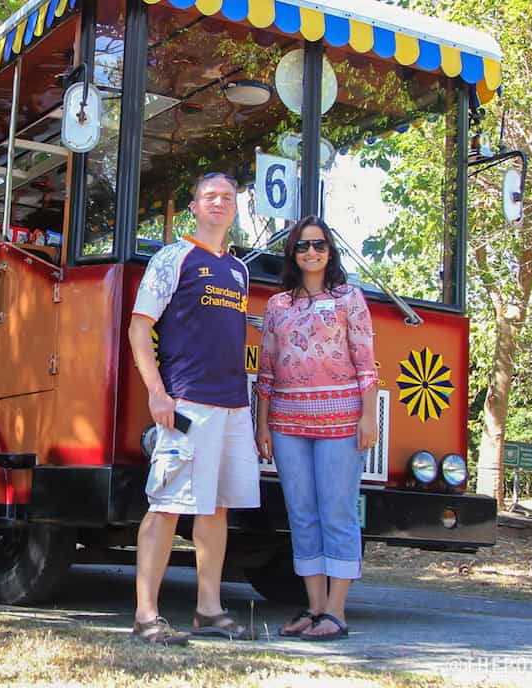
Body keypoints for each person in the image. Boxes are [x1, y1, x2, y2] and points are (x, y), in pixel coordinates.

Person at [128, 172, 261, 645]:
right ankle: (147, 616)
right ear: (194, 207)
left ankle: (209, 609)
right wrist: (156, 393)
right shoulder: (172, 257)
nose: (220, 203)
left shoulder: (239, 271)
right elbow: (139, 328)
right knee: (165, 506)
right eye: (210, 197)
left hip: (231, 408)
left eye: (228, 197)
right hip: (186, 402)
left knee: (216, 508)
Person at [255, 215, 379, 640]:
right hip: (287, 422)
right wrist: (262, 426)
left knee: (337, 511)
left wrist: (368, 416)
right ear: (292, 253)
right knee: (301, 514)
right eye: (303, 246)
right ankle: (313, 608)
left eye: (319, 245)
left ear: (330, 252)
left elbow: (365, 363)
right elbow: (266, 370)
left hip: (342, 420)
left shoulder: (350, 298)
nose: (311, 252)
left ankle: (337, 612)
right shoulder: (277, 306)